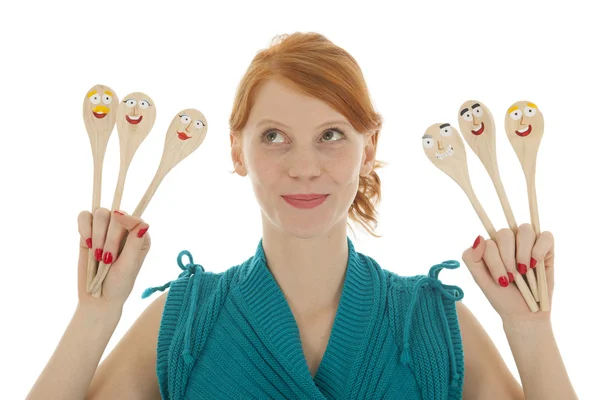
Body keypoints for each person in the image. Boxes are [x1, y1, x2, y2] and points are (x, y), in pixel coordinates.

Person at [26, 32, 578, 400]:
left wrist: (529, 329)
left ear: (368, 147)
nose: (305, 167)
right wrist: (96, 313)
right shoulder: (185, 322)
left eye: (331, 136)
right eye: (274, 137)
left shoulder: (431, 324)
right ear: (237, 150)